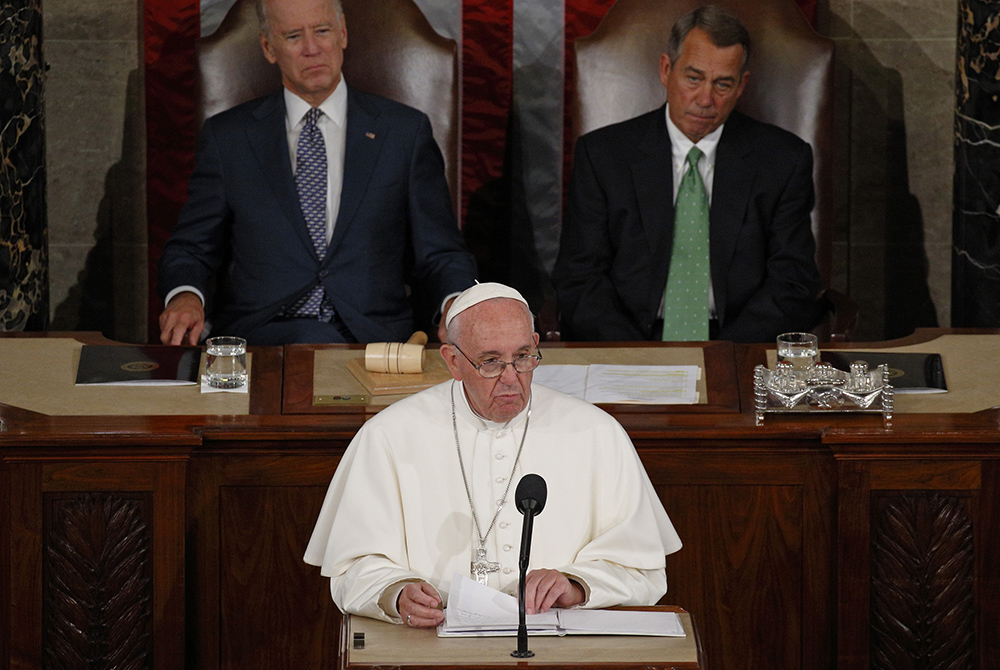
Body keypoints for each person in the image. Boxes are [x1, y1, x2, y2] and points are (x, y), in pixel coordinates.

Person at [304, 282, 681, 627]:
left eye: (523, 356)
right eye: (490, 362)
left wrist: (576, 585)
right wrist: (395, 593)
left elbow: (644, 571)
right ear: (452, 361)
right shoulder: (388, 435)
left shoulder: (597, 433)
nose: (511, 377)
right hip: (432, 650)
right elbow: (351, 568)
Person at [157, 0, 477, 346]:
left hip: (373, 339)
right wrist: (185, 296)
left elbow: (441, 252)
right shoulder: (229, 138)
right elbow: (191, 248)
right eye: (293, 36)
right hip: (264, 336)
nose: (312, 49)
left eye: (322, 31)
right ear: (268, 48)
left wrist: (456, 303)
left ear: (342, 33)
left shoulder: (403, 132)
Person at [552, 5, 821, 343]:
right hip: (629, 342)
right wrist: (639, 357)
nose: (705, 99)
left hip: (738, 343)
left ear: (741, 86)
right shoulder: (604, 156)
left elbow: (793, 281)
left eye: (723, 84)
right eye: (693, 78)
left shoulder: (782, 160)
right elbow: (579, 278)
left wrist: (723, 354)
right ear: (666, 70)